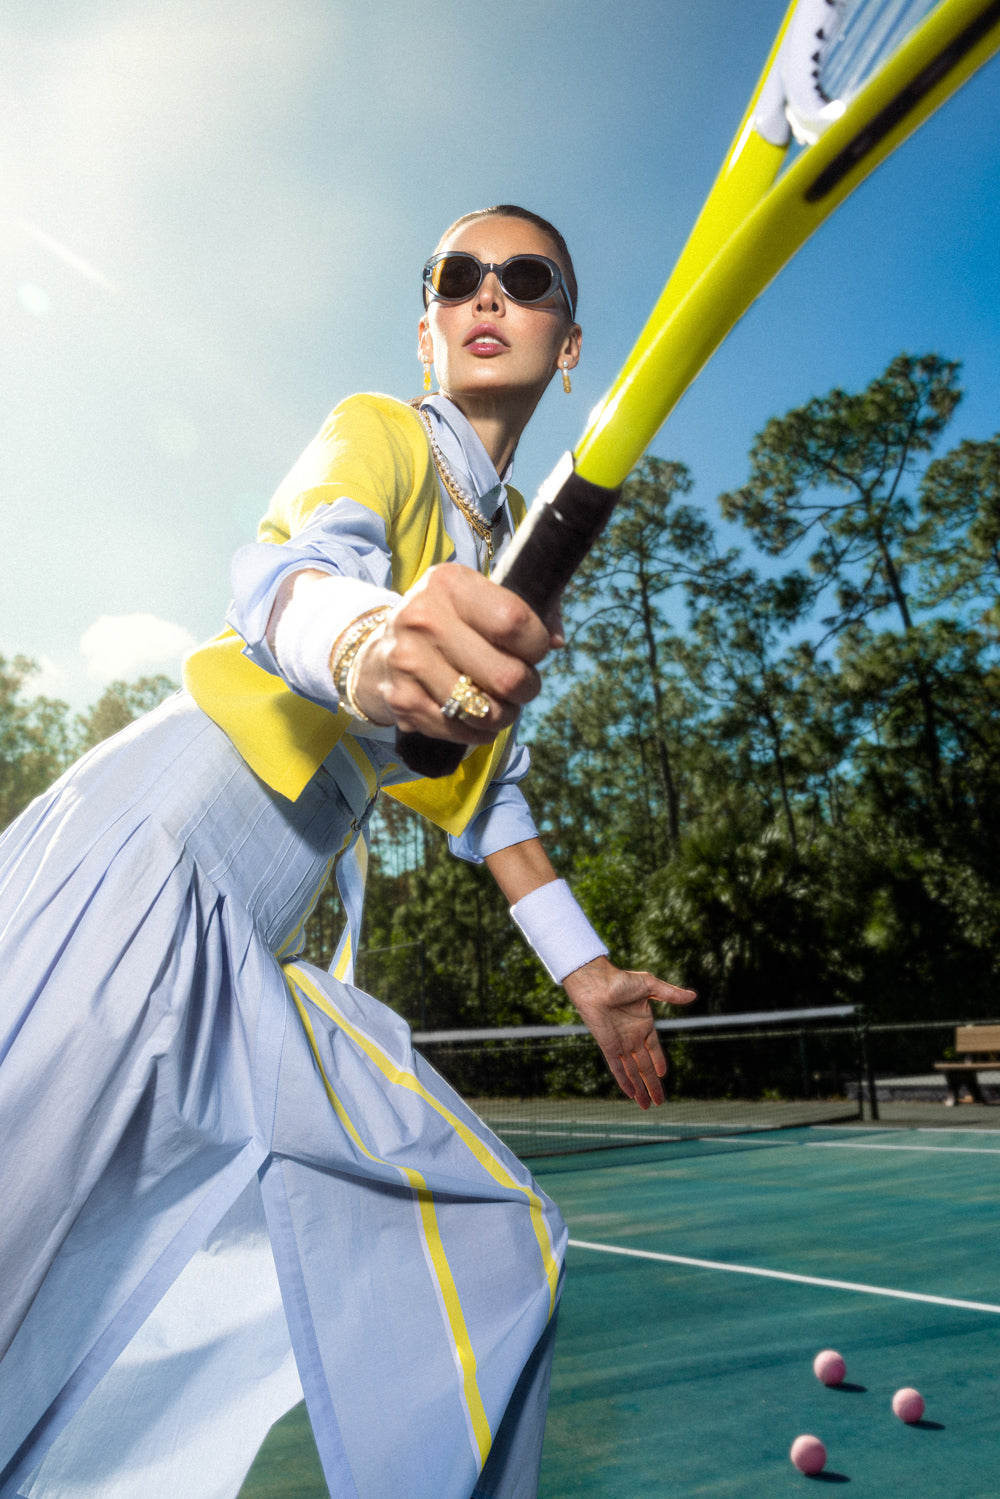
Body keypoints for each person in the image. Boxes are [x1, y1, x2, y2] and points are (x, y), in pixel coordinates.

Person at [0, 204, 694, 1499]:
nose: (487, 292)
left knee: (494, 1247)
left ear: (568, 342)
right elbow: (288, 571)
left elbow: (488, 800)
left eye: (525, 277)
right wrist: (368, 643)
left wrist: (590, 973)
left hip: (250, 949)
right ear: (426, 330)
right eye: (456, 276)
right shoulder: (378, 432)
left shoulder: (501, 558)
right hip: (149, 864)